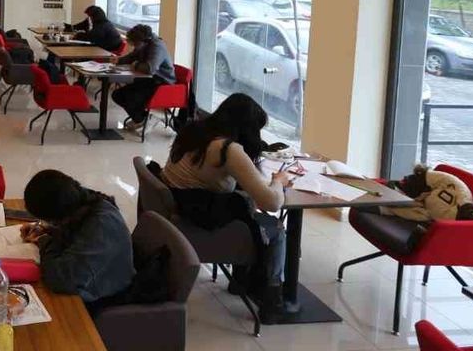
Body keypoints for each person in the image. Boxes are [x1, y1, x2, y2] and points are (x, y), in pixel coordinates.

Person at [158, 93, 292, 321]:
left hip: (180, 210)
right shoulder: (227, 149)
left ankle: (241, 280)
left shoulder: (194, 131)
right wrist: (279, 181)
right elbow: (271, 202)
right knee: (275, 229)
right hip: (196, 222)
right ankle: (271, 300)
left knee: (243, 205)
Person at [21, 170, 135, 309]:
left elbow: (59, 280)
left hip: (106, 297)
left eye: (49, 220)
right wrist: (48, 230)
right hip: (89, 276)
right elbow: (73, 233)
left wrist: (44, 241)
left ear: (60, 216)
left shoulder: (100, 225)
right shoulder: (79, 200)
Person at [111, 24, 175, 133]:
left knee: (130, 98)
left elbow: (150, 68)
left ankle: (144, 119)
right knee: (117, 94)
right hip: (148, 80)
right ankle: (142, 119)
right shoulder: (143, 44)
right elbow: (133, 56)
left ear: (144, 41)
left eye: (136, 44)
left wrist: (135, 65)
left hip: (161, 83)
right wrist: (119, 60)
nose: (134, 46)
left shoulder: (157, 46)